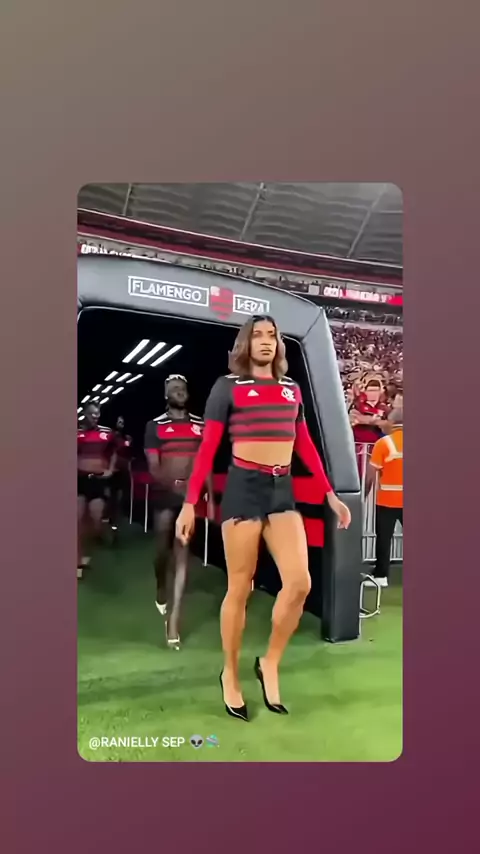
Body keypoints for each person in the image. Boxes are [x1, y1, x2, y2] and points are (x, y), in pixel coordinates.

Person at [175, 315, 351, 721]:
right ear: (246, 344)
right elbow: (208, 447)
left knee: (300, 583)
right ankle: (230, 674)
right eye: (258, 335)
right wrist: (189, 502)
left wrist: (330, 494)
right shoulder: (228, 387)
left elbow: (304, 444)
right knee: (240, 588)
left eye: (272, 335)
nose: (266, 341)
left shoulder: (291, 389)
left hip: (281, 489)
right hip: (244, 488)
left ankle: (269, 662)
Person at [144, 375, 215, 650]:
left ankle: (173, 622)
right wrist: (171, 484)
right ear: (166, 396)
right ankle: (160, 586)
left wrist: (209, 497)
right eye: (174, 389)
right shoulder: (155, 426)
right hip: (164, 496)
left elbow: (205, 461)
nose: (179, 392)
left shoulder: (200, 425)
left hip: (189, 499)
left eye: (182, 388)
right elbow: (153, 466)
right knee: (161, 552)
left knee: (182, 553)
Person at [364, 406, 403, 588]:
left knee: (384, 538)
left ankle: (381, 576)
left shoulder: (384, 443)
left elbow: (371, 475)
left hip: (387, 500)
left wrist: (364, 495)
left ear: (391, 422)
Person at [77, 403, 117, 579]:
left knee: (96, 520)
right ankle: (78, 560)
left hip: (98, 481)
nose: (95, 416)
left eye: (97, 413)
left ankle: (92, 543)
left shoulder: (107, 433)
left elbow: (115, 452)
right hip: (79, 480)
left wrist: (110, 469)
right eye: (92, 413)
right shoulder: (76, 433)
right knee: (77, 521)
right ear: (84, 415)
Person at [109, 416, 133, 537]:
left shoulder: (128, 438)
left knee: (122, 498)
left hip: (124, 471)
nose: (121, 424)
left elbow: (130, 454)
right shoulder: (111, 436)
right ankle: (111, 521)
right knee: (112, 498)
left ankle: (119, 522)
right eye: (119, 422)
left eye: (122, 422)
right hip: (113, 471)